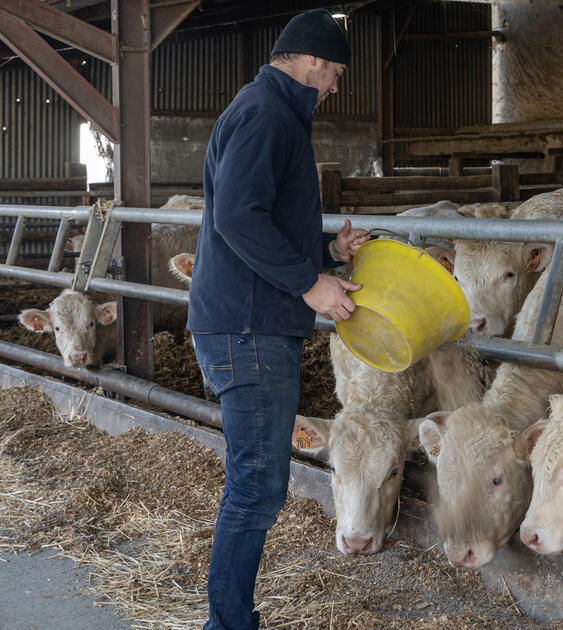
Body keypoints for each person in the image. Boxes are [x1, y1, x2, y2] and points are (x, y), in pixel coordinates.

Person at [186, 10, 368, 630]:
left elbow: (260, 224)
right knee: (257, 486)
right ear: (313, 60)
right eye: (335, 73)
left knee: (255, 483)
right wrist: (310, 284)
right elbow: (237, 217)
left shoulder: (268, 110)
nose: (335, 87)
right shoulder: (267, 114)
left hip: (249, 320)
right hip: (249, 327)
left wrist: (327, 253)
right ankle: (227, 624)